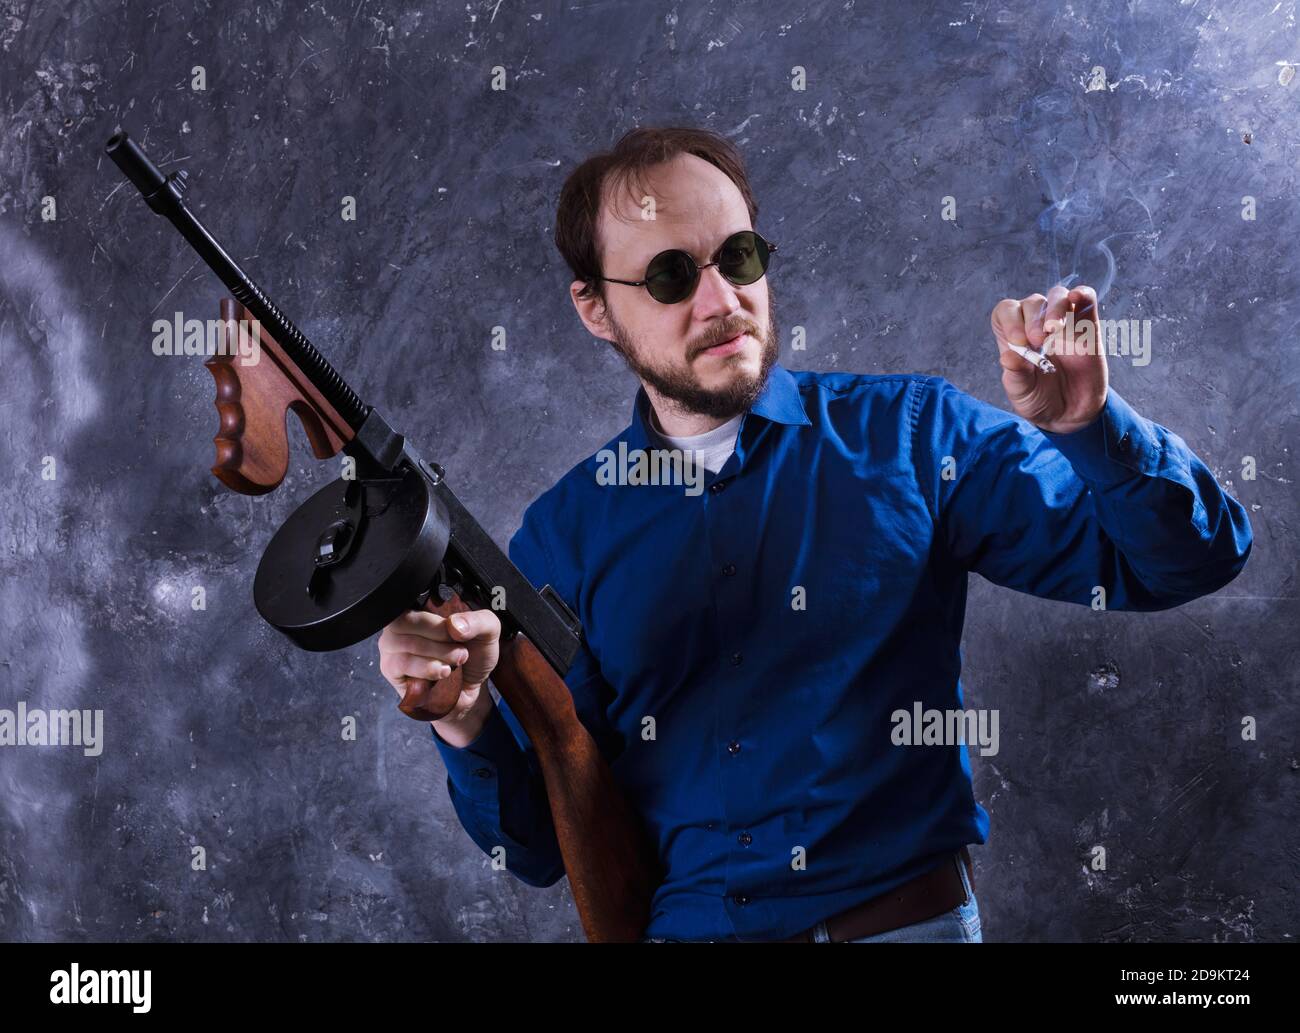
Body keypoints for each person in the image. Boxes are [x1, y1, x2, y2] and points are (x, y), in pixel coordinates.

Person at [377, 126, 1253, 943]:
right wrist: (465, 717)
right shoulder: (560, 538)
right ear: (595, 308)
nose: (721, 300)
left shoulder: (916, 437)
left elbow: (1187, 560)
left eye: (739, 256)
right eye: (672, 275)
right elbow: (534, 848)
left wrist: (1090, 427)